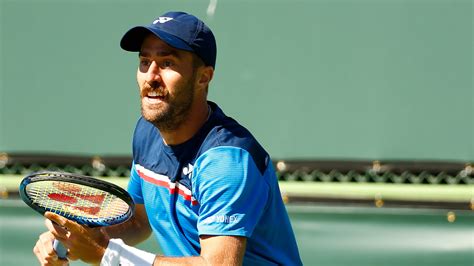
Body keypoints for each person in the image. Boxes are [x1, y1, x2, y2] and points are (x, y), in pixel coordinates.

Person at [33, 11, 302, 266]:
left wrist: (105, 254)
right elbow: (138, 222)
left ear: (203, 78)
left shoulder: (227, 161)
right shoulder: (147, 133)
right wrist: (79, 238)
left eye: (167, 63)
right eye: (144, 62)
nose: (151, 76)